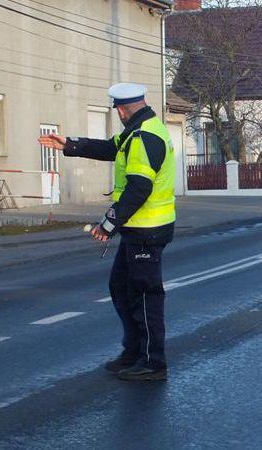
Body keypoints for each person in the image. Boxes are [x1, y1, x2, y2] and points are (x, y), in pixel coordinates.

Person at [37, 83, 175, 381]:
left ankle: (153, 361)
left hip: (147, 231)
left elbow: (139, 188)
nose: (118, 115)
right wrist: (69, 144)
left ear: (122, 110)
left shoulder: (145, 137)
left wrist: (108, 224)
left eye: (117, 110)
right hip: (138, 230)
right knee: (121, 288)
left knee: (144, 295)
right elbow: (109, 148)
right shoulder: (137, 131)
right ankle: (135, 351)